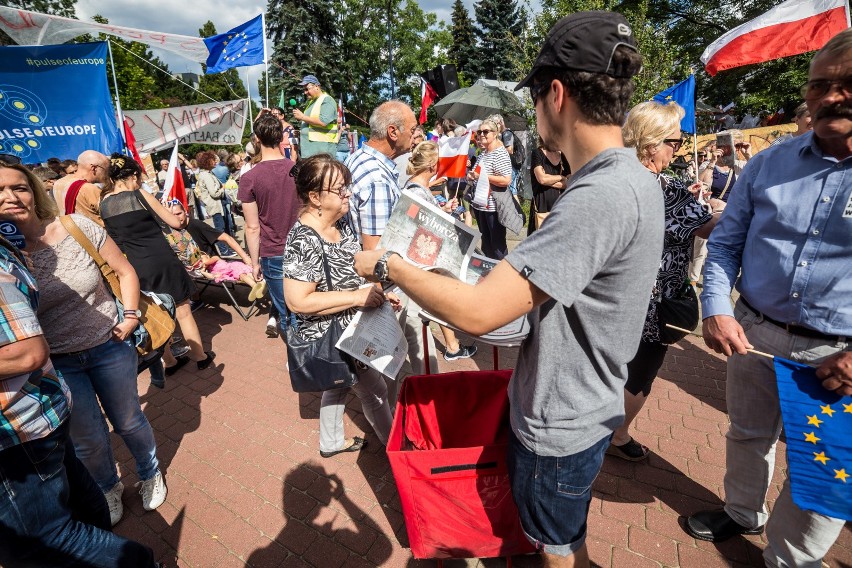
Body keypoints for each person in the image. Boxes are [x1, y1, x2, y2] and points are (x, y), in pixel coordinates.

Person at [355, 13, 662, 567]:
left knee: (550, 551)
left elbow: (478, 315)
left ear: (558, 93)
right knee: (562, 537)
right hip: (582, 406)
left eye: (536, 98)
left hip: (560, 422)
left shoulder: (600, 195)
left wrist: (391, 266)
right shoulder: (630, 176)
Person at [684, 29, 852, 567]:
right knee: (748, 433)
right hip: (752, 333)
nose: (829, 97)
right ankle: (740, 512)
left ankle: (789, 560)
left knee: (823, 469)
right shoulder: (768, 164)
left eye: (847, 84)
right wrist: (714, 306)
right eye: (819, 85)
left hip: (836, 357)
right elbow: (727, 241)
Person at [0, 166, 159, 567]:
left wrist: (130, 317)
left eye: (18, 186)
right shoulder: (8, 251)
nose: (10, 196)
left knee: (128, 420)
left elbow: (124, 271)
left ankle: (150, 471)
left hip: (109, 345)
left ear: (34, 192)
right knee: (88, 437)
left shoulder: (74, 227)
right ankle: (106, 487)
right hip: (60, 362)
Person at [608, 101, 724, 461]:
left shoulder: (610, 178)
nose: (678, 148)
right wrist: (738, 208)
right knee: (641, 371)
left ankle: (596, 429)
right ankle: (616, 436)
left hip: (611, 297)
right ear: (651, 144)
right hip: (653, 302)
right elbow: (710, 228)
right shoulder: (669, 191)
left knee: (607, 367)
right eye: (674, 141)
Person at [282, 155, 395, 458]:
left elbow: (347, 272)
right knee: (376, 393)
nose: (348, 193)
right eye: (340, 189)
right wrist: (358, 298)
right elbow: (297, 301)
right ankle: (398, 451)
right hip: (337, 337)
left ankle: (330, 442)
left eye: (347, 186)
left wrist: (373, 291)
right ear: (315, 197)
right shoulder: (303, 240)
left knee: (339, 382)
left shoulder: (341, 223)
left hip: (350, 332)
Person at [345, 101, 439, 405]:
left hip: (377, 284)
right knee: (394, 358)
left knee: (412, 345)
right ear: (392, 131)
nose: (416, 136)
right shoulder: (377, 177)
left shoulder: (358, 159)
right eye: (412, 129)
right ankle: (409, 422)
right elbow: (376, 252)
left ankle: (419, 405)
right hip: (387, 287)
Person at [100, 154, 215, 376]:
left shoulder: (104, 204)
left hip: (134, 266)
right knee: (183, 311)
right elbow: (175, 222)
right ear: (133, 175)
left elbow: (114, 239)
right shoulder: (139, 195)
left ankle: (170, 362)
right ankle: (200, 357)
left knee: (154, 314)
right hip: (162, 260)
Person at [403, 141, 476, 361]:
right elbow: (418, 226)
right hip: (426, 262)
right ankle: (445, 352)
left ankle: (451, 346)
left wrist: (443, 209)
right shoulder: (417, 190)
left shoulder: (417, 186)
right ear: (433, 166)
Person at [238, 114, 301, 337]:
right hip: (303, 248)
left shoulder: (250, 178)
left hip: (273, 253)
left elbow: (252, 227)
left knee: (285, 313)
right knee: (304, 311)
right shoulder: (296, 170)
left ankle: (297, 362)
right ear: (279, 136)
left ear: (256, 138)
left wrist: (254, 262)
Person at [166, 199, 266, 301]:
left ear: (185, 212)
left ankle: (193, 298)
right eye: (172, 215)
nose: (176, 217)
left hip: (211, 264)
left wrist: (245, 257)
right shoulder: (171, 230)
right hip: (192, 266)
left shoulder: (196, 225)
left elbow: (226, 238)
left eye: (179, 213)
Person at [468, 117, 513, 260]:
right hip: (481, 205)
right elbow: (477, 174)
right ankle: (488, 273)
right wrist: (471, 176)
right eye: (479, 132)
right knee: (486, 244)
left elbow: (506, 180)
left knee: (498, 246)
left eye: (485, 132)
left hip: (494, 207)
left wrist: (481, 176)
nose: (481, 135)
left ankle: (502, 277)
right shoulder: (483, 153)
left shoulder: (500, 153)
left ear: (495, 133)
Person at [194, 150, 236, 258]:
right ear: (207, 161)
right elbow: (214, 193)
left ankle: (226, 249)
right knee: (220, 229)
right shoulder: (206, 175)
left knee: (223, 227)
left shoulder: (207, 174)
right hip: (215, 206)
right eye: (213, 160)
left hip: (217, 205)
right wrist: (223, 188)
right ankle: (224, 250)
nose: (215, 162)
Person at [51, 150, 110, 225]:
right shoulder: (89, 188)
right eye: (106, 169)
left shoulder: (58, 183)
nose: (107, 173)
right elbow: (110, 215)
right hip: (93, 234)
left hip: (70, 232)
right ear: (94, 168)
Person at [527, 136, 570, 235]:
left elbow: (568, 182)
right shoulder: (537, 153)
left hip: (559, 206)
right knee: (538, 242)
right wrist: (561, 177)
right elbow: (542, 179)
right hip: (541, 206)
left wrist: (548, 180)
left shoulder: (563, 156)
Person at [293, 74, 338, 158]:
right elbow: (310, 123)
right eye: (304, 90)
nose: (305, 92)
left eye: (307, 89)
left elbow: (323, 122)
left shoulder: (327, 100)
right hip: (311, 151)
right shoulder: (312, 102)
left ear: (316, 86)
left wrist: (302, 117)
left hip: (322, 151)